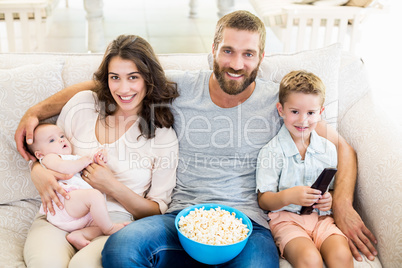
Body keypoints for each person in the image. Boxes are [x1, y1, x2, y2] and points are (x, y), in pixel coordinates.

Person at [14, 10, 377, 266]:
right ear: (213, 52)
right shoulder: (182, 88)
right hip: (179, 216)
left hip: (248, 223)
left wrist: (342, 205)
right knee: (120, 252)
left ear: (261, 57)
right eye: (228, 51)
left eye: (248, 54)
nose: (236, 63)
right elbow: (107, 84)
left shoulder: (279, 102)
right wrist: (35, 113)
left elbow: (343, 148)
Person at [20, 35, 179, 267]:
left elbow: (156, 210)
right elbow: (49, 152)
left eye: (133, 77)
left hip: (111, 222)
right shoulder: (83, 104)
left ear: (148, 79)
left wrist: (111, 186)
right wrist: (38, 171)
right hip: (60, 210)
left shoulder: (162, 135)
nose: (123, 89)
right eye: (115, 77)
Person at [256, 71, 353, 267]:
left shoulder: (328, 149)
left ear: (321, 112)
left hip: (321, 220)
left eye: (311, 113)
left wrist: (329, 199)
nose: (303, 120)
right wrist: (289, 196)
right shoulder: (272, 152)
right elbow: (263, 200)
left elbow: (331, 189)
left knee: (342, 256)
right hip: (286, 220)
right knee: (310, 259)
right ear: (281, 110)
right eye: (295, 112)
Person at [27, 123, 129, 250]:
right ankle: (110, 228)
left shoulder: (73, 158)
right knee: (95, 196)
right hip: (64, 203)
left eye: (62, 136)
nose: (61, 140)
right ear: (39, 155)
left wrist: (98, 158)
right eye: (52, 140)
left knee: (99, 222)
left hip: (78, 210)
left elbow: (84, 167)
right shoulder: (49, 158)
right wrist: (85, 161)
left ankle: (79, 235)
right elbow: (67, 170)